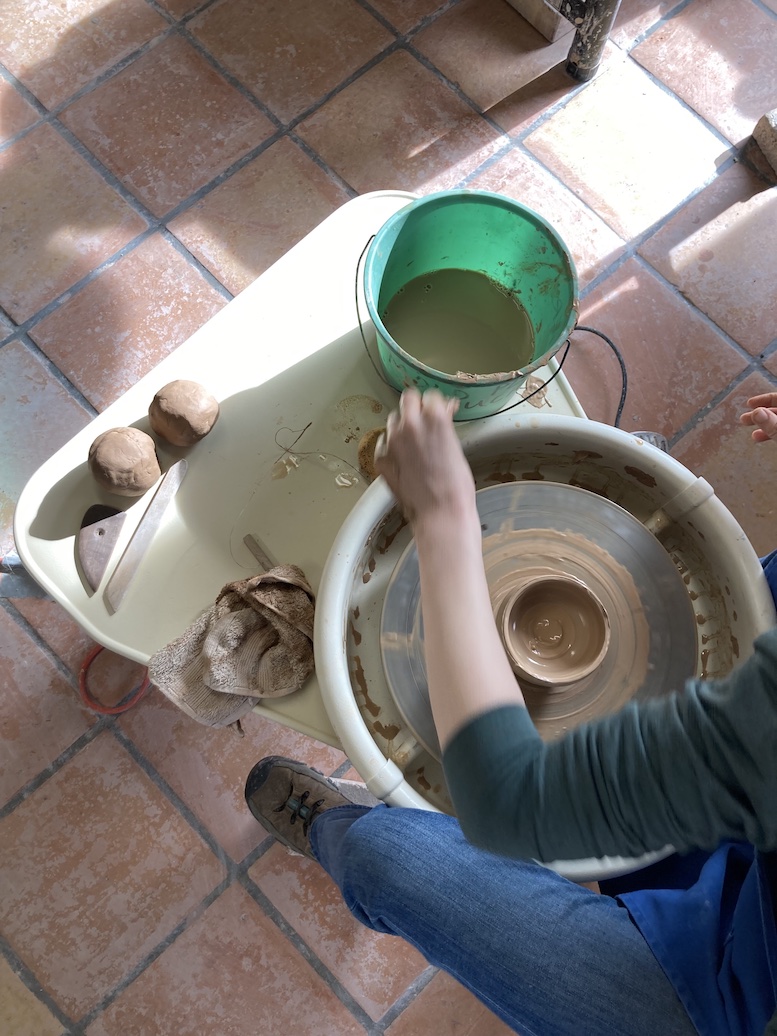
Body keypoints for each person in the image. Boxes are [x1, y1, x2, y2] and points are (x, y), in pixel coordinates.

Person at [246, 389, 777, 1036]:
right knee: (741, 601)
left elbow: (508, 797)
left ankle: (338, 831)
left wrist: (443, 521)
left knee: (387, 860)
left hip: (728, 1001)